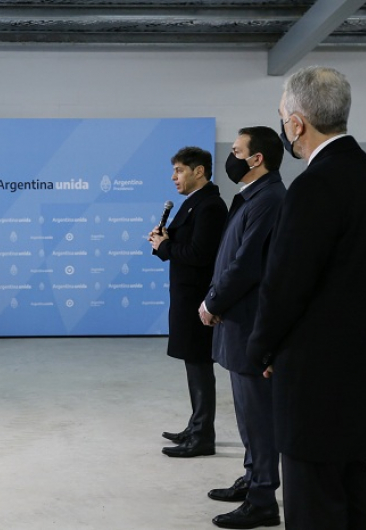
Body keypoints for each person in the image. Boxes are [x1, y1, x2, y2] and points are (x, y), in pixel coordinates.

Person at [247, 66, 366, 529]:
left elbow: (285, 285)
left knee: (315, 507)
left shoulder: (313, 186)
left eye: (282, 116)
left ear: (296, 123)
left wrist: (262, 347)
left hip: (317, 387)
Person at [198, 127, 286, 529]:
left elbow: (247, 264)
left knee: (258, 416)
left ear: (256, 159)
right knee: (247, 414)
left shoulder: (269, 199)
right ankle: (253, 478)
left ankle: (264, 496)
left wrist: (213, 301)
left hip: (249, 322)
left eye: (236, 151)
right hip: (237, 321)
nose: (230, 158)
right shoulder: (251, 197)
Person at [148, 146, 228, 458]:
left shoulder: (210, 206)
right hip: (185, 297)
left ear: (199, 171)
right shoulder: (193, 204)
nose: (174, 177)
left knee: (199, 364)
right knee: (192, 363)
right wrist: (163, 241)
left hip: (197, 300)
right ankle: (196, 426)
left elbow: (200, 255)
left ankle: (202, 435)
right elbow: (183, 245)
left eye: (180, 170)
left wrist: (166, 246)